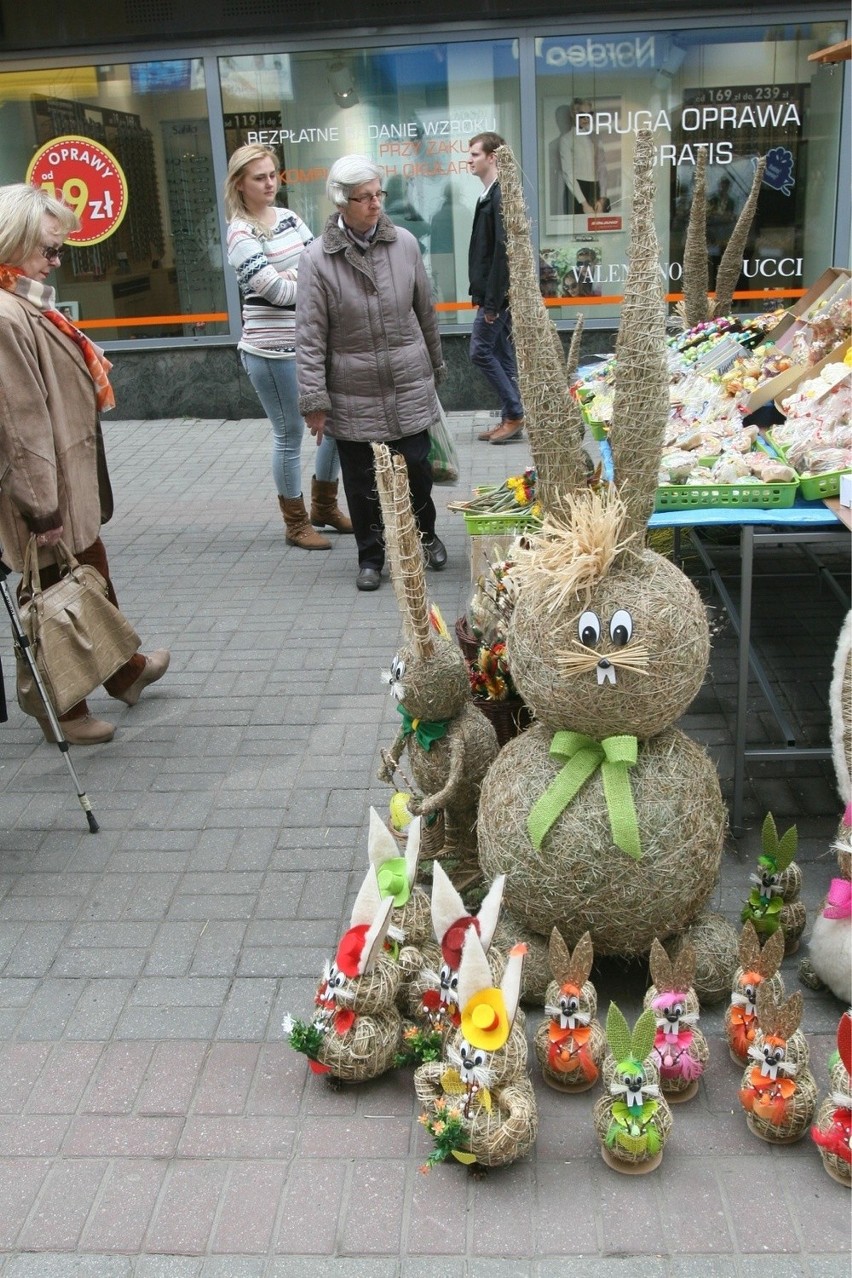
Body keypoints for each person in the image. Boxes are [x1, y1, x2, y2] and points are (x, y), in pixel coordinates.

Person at [0, 183, 169, 745]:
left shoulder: (24, 300)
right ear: (12, 241)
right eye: (49, 250)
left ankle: (125, 671)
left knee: (86, 567)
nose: (57, 261)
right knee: (48, 595)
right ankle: (62, 708)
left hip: (64, 477)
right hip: (40, 489)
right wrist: (41, 506)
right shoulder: (6, 315)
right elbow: (18, 423)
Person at [296, 154, 447, 592]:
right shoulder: (317, 261)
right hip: (352, 388)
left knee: (417, 470)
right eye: (363, 198)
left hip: (406, 379)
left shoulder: (404, 244)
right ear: (341, 203)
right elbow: (309, 338)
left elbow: (426, 313)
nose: (375, 204)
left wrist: (434, 369)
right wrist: (314, 403)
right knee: (362, 482)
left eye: (378, 193)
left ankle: (426, 536)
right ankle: (370, 555)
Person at [224, 143, 351, 550]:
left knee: (333, 423)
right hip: (270, 350)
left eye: (273, 174)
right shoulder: (240, 232)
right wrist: (305, 280)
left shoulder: (289, 218)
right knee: (289, 432)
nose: (269, 183)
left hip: (311, 343)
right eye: (259, 177)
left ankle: (325, 506)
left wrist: (299, 277)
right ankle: (295, 523)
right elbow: (275, 291)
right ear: (240, 184)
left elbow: (324, 263)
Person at [467, 132, 525, 445]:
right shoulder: (490, 194)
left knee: (479, 351)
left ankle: (515, 413)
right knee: (501, 355)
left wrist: (492, 303)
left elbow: (503, 250)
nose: (469, 160)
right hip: (494, 294)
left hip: (497, 296)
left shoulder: (500, 194)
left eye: (475, 154)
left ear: (492, 157)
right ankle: (511, 416)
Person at [559, 100, 609, 216]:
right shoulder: (566, 140)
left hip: (596, 190)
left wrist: (602, 198)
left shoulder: (596, 137)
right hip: (576, 191)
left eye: (589, 114)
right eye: (582, 115)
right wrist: (584, 203)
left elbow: (602, 167)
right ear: (573, 114)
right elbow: (568, 173)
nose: (586, 119)